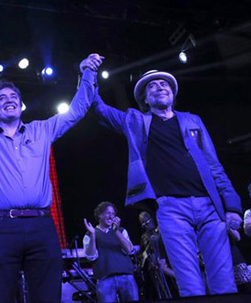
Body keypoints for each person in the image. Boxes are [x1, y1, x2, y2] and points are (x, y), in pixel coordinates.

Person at [0, 39, 101, 302]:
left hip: (42, 226)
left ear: (21, 105)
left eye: (14, 97)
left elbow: (77, 111)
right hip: (0, 228)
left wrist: (87, 72)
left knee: (48, 297)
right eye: (2, 98)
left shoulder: (42, 130)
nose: (9, 100)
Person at [91, 70, 243, 297]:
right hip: (171, 208)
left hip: (210, 205)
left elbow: (214, 165)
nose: (160, 87)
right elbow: (98, 108)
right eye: (152, 86)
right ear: (144, 98)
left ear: (172, 93)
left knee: (223, 279)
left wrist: (232, 206)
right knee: (188, 280)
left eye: (164, 84)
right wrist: (88, 74)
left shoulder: (192, 120)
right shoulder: (136, 121)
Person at [83, 202, 138, 303]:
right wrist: (93, 235)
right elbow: (91, 256)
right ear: (99, 215)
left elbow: (129, 250)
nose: (111, 216)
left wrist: (116, 231)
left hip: (126, 277)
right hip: (105, 280)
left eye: (113, 214)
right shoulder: (90, 233)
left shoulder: (121, 231)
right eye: (108, 213)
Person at [137, 211, 175, 300]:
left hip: (171, 261)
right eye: (143, 224)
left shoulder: (162, 229)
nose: (146, 225)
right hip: (157, 268)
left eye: (147, 222)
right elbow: (144, 254)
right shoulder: (145, 237)